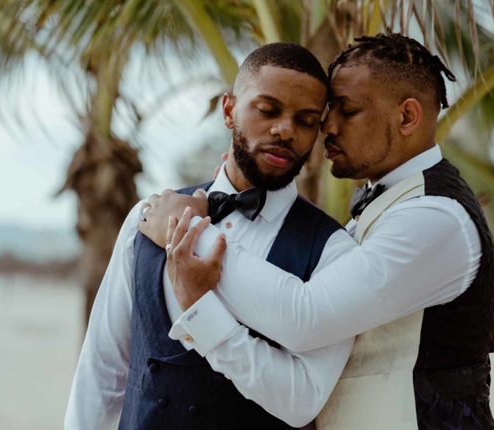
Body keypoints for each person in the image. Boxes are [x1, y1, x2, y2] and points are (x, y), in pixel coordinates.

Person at [141, 32, 494, 429]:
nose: (327, 125)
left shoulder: (435, 217)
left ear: (407, 117)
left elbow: (305, 319)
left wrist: (185, 229)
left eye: (347, 109)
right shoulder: (389, 205)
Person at [64, 42, 358, 430]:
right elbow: (102, 369)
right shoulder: (147, 218)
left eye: (305, 121)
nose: (285, 130)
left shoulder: (334, 251)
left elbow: (302, 399)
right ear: (229, 110)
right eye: (268, 110)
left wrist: (202, 310)